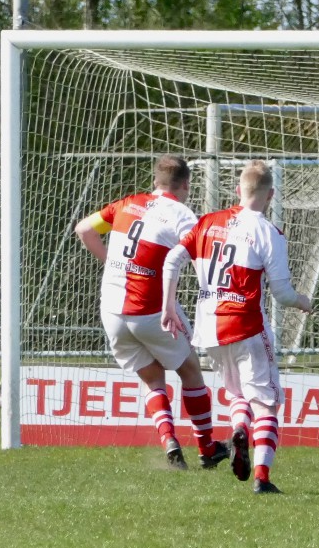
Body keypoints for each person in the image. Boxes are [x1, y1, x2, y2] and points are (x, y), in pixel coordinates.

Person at [161, 160, 313, 494]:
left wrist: (169, 306)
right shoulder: (268, 232)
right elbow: (283, 294)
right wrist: (304, 301)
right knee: (267, 403)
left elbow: (172, 260)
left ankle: (239, 429)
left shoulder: (207, 222)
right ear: (271, 195)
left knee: (236, 395)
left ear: (237, 190)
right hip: (246, 325)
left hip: (210, 329)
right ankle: (262, 477)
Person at [74, 154, 229, 470]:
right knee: (190, 370)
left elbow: (83, 230)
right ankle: (207, 447)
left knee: (151, 378)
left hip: (112, 310)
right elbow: (204, 259)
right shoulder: (182, 214)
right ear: (185, 184)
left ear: (155, 181)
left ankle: (169, 440)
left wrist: (111, 264)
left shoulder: (125, 203)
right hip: (150, 309)